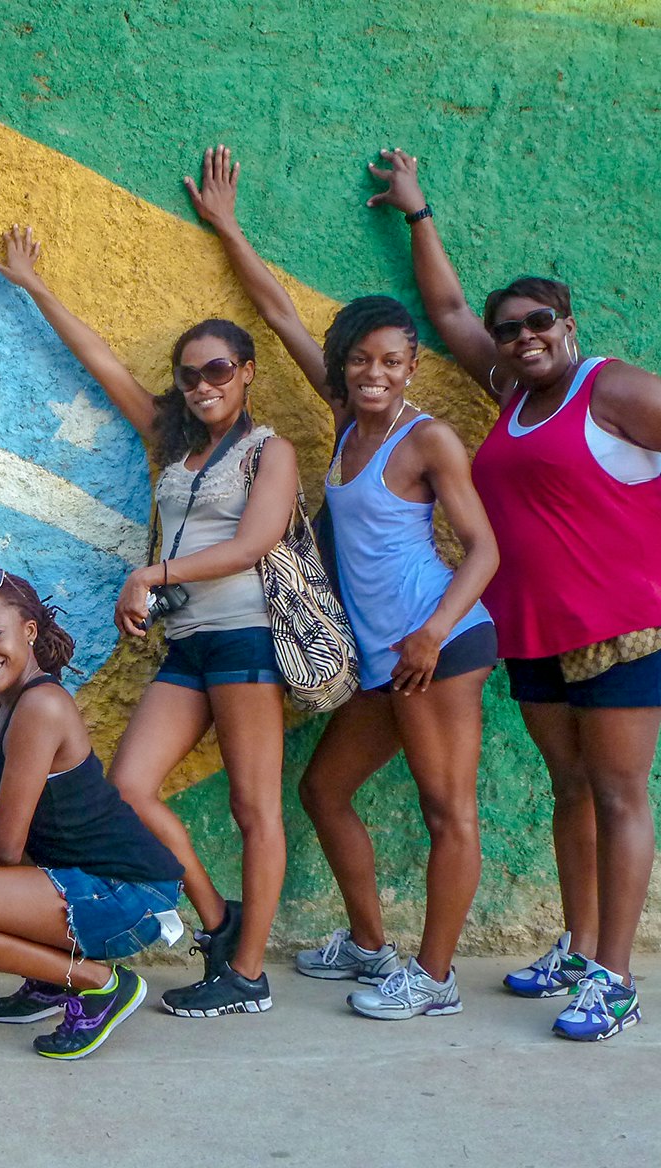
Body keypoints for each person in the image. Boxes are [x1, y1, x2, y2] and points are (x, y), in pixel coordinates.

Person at [185, 146, 499, 1020]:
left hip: (438, 642)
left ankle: (433, 980)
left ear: (412, 369)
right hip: (381, 654)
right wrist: (229, 229)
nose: (375, 374)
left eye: (393, 362)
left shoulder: (427, 438)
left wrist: (433, 632)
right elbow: (279, 310)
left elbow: (483, 551)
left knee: (447, 810)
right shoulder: (342, 419)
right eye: (361, 359)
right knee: (323, 790)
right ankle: (370, 944)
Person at [369, 147, 661, 1041]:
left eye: (540, 321)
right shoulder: (508, 393)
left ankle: (614, 977)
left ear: (569, 324)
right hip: (532, 630)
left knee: (617, 797)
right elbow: (449, 311)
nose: (523, 335)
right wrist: (418, 212)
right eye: (511, 328)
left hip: (621, 629)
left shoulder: (610, 387)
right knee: (568, 790)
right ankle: (577, 947)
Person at [0, 228, 298, 1018]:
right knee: (128, 788)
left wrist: (152, 572)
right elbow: (102, 365)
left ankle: (248, 975)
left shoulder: (270, 450)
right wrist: (35, 285)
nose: (203, 385)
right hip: (188, 646)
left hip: (246, 639)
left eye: (219, 371)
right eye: (190, 374)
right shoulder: (173, 445)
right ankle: (219, 918)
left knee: (254, 807)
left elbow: (255, 542)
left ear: (246, 374)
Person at [0, 569, 185, 1060]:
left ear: (28, 632)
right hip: (74, 872)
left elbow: (7, 847)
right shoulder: (1, 698)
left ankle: (98, 985)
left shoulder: (41, 707)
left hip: (127, 892)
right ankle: (52, 980)